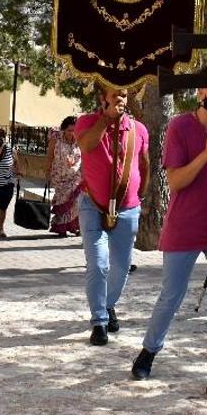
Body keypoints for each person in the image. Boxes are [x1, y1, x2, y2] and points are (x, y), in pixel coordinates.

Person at [130, 87, 207, 403]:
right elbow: (176, 181)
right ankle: (149, 351)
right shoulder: (180, 127)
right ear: (201, 92)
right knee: (172, 294)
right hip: (185, 224)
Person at [75, 86, 150, 346]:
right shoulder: (87, 121)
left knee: (121, 266)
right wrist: (106, 120)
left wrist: (139, 196)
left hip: (128, 207)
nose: (121, 99)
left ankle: (108, 305)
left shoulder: (138, 129)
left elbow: (144, 164)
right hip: (92, 205)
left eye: (124, 95)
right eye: (115, 94)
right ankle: (99, 321)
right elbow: (86, 145)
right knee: (98, 264)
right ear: (102, 98)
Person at [46, 116, 83, 237]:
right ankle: (61, 227)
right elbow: (50, 156)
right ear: (64, 130)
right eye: (69, 130)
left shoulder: (80, 139)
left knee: (76, 200)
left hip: (75, 175)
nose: (72, 133)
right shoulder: (56, 138)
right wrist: (47, 171)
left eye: (74, 131)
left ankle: (74, 226)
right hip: (59, 175)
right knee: (63, 201)